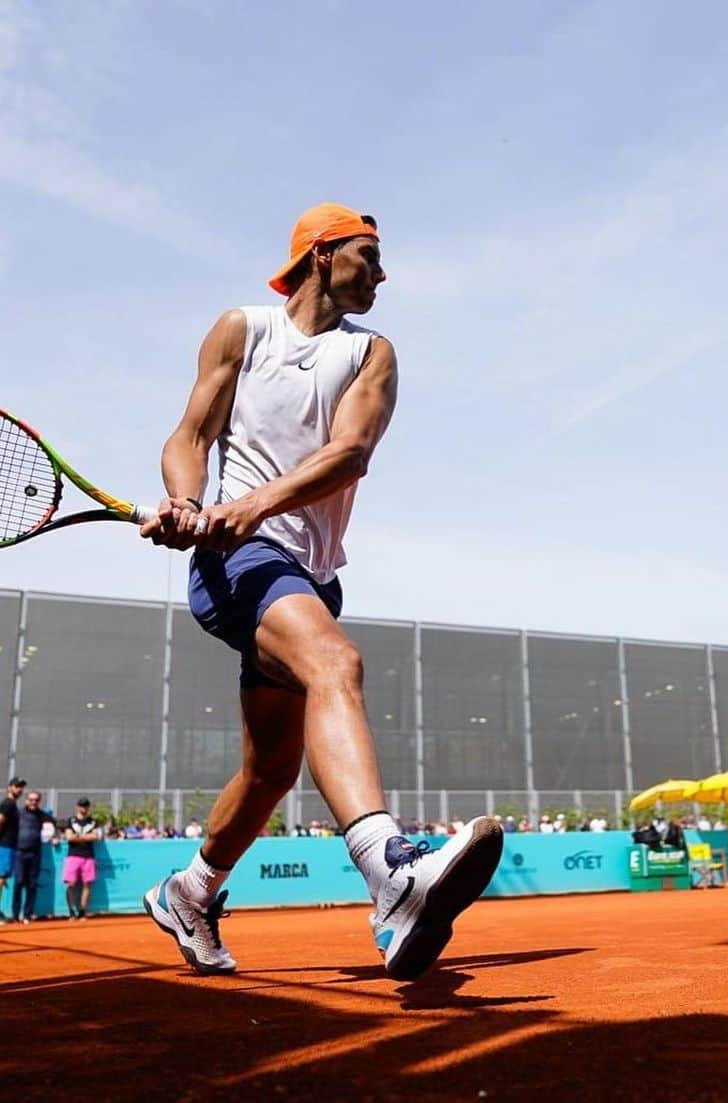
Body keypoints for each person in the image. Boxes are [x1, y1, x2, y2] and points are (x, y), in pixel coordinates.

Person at [139, 202, 502, 978]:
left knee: (273, 767)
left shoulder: (373, 354)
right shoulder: (242, 329)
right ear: (322, 253)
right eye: (368, 255)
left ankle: (189, 890)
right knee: (335, 663)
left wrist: (250, 504)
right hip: (239, 563)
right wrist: (185, 499)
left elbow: (351, 453)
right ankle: (392, 873)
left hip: (307, 570)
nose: (382, 272)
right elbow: (190, 435)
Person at [13, 790, 52, 923]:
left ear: (39, 801)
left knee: (31, 885)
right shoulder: (18, 814)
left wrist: (55, 837)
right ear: (26, 800)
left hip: (35, 853)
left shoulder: (43, 815)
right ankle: (15, 915)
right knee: (18, 882)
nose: (33, 802)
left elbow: (54, 827)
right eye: (31, 799)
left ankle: (27, 915)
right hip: (19, 852)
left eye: (36, 800)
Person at [63, 798, 102, 919]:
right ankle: (71, 911)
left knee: (87, 884)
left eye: (86, 806)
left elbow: (96, 836)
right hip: (73, 855)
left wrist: (78, 836)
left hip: (88, 856)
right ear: (77, 807)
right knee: (70, 884)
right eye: (81, 805)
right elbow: (69, 837)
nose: (83, 808)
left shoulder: (93, 821)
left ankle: (82, 911)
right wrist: (86, 837)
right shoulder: (71, 820)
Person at [0, 778, 25, 921]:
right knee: (1, 878)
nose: (19, 789)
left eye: (21, 787)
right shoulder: (8, 803)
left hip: (8, 846)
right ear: (9, 787)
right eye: (17, 786)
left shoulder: (12, 804)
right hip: (5, 846)